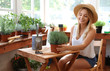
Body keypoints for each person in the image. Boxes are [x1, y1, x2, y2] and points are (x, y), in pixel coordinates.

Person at [57, 4, 98, 71]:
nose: (81, 17)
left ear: (89, 18)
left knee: (69, 66)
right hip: (75, 55)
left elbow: (83, 46)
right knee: (61, 62)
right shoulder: (73, 28)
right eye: (80, 14)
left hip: (88, 58)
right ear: (77, 15)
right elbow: (70, 44)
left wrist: (66, 47)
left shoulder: (91, 30)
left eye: (85, 16)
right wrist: (63, 46)